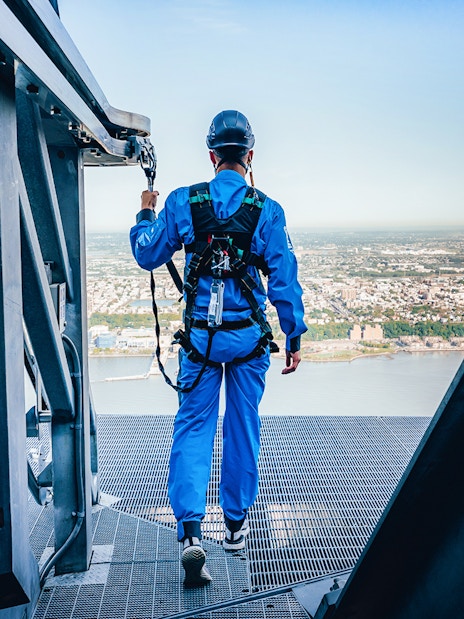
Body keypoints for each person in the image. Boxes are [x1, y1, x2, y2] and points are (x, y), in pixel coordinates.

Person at [130, 110, 307, 587]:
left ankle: (190, 534)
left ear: (212, 156)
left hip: (201, 342)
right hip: (248, 341)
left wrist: (146, 212)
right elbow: (284, 283)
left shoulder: (184, 202)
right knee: (242, 426)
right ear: (249, 157)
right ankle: (233, 528)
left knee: (193, 428)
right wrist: (293, 335)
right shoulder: (268, 211)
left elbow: (148, 252)